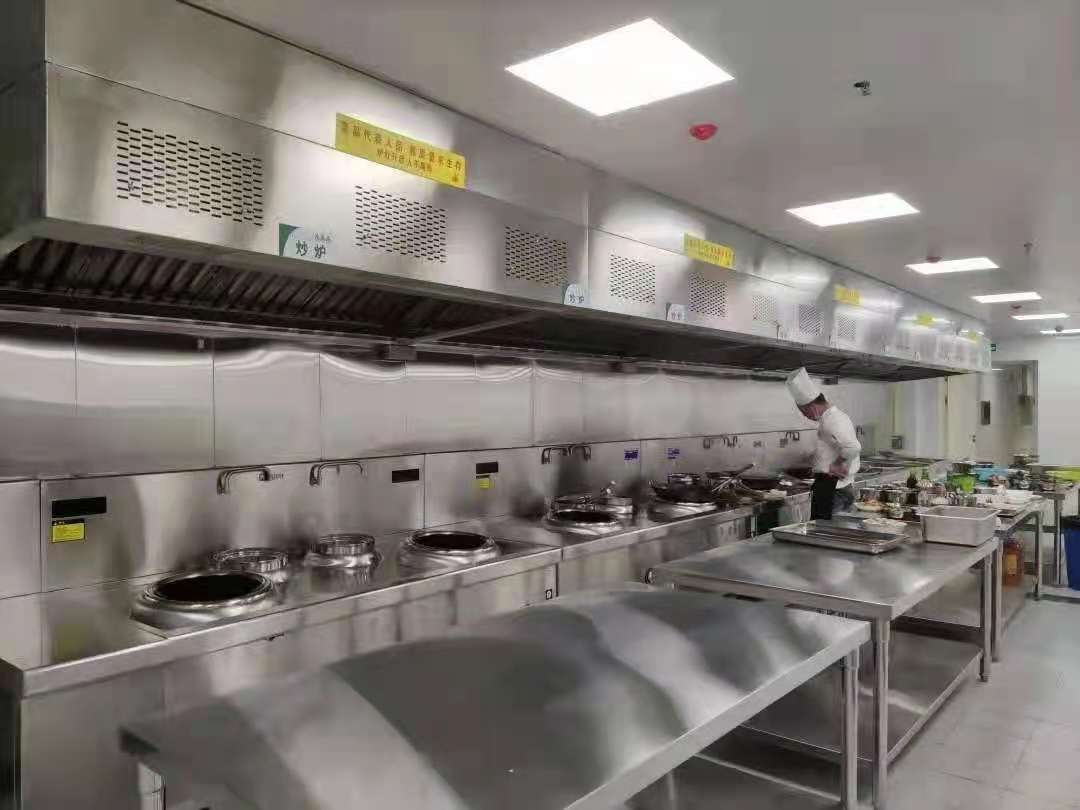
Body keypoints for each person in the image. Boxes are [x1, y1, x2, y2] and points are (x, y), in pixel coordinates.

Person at [786, 367, 861, 520]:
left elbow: (853, 447)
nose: (805, 416)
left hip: (833, 488)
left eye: (804, 412)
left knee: (825, 530)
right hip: (833, 486)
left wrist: (838, 463)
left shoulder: (833, 421)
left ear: (812, 407)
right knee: (827, 530)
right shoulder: (833, 417)